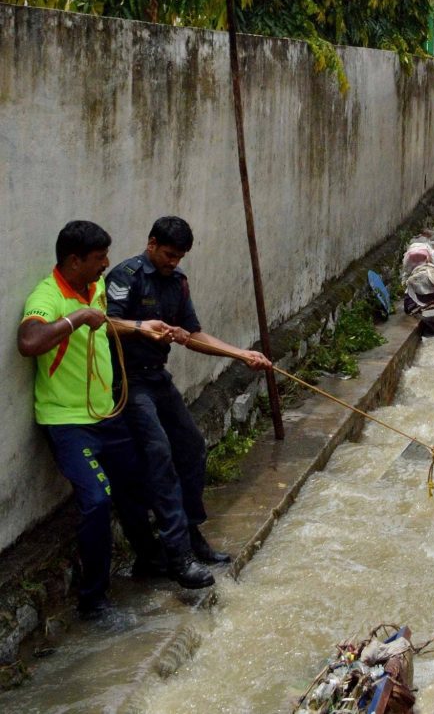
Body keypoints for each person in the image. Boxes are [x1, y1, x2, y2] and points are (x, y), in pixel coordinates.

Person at [17, 221, 209, 619]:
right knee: (97, 501)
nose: (107, 263)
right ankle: (94, 601)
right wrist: (76, 318)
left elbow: (103, 322)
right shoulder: (47, 296)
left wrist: (140, 326)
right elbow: (30, 342)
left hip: (106, 413)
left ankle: (154, 559)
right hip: (68, 423)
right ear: (75, 261)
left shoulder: (96, 288)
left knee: (141, 480)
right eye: (99, 258)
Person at [105, 216, 272, 577]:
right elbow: (104, 323)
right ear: (151, 244)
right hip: (128, 383)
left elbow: (194, 334)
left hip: (158, 379)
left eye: (179, 257)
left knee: (192, 446)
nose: (173, 262)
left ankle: (192, 532)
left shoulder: (177, 283)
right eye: (168, 254)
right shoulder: (126, 276)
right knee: (159, 455)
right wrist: (143, 329)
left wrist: (241, 354)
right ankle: (178, 556)